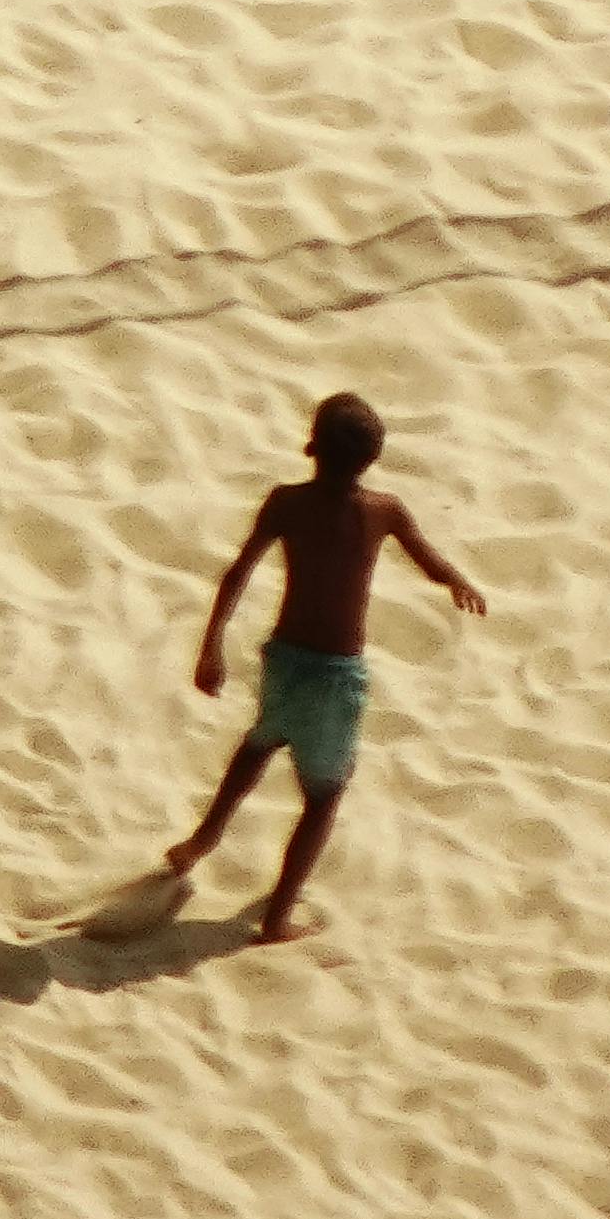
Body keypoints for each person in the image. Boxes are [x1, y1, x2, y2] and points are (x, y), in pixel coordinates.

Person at [165, 391, 486, 944]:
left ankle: (204, 838)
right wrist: (458, 579)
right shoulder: (383, 509)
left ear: (311, 446)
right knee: (324, 797)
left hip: (283, 658)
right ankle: (278, 916)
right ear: (373, 459)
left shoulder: (284, 502)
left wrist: (211, 646)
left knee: (261, 742)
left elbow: (238, 572)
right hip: (336, 675)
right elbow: (425, 555)